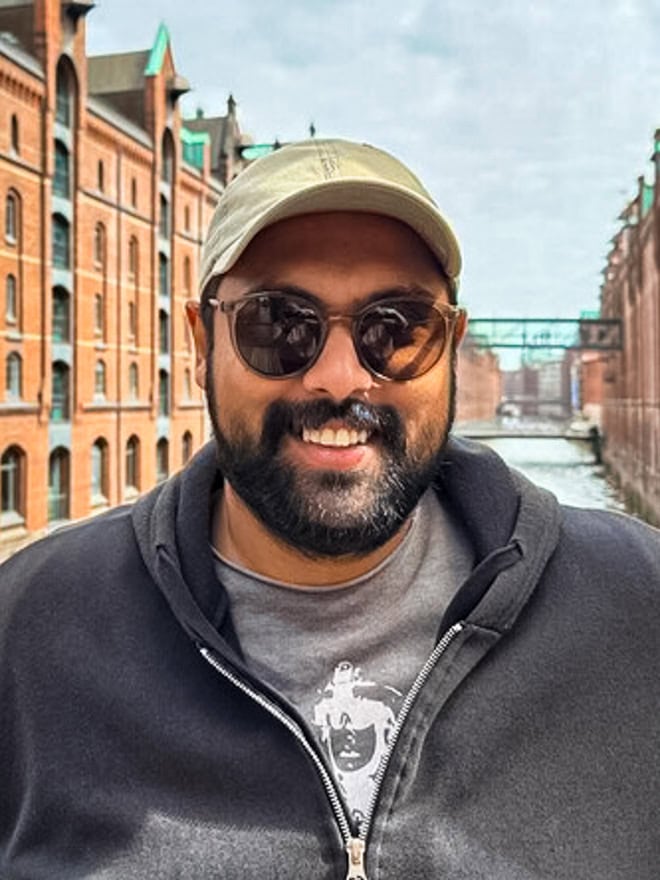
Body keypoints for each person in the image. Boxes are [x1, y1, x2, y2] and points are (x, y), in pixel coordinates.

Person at [1, 139, 659, 880]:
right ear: (201, 342)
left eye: (396, 327)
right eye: (279, 324)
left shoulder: (638, 603)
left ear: (449, 346)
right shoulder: (26, 627)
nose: (340, 378)